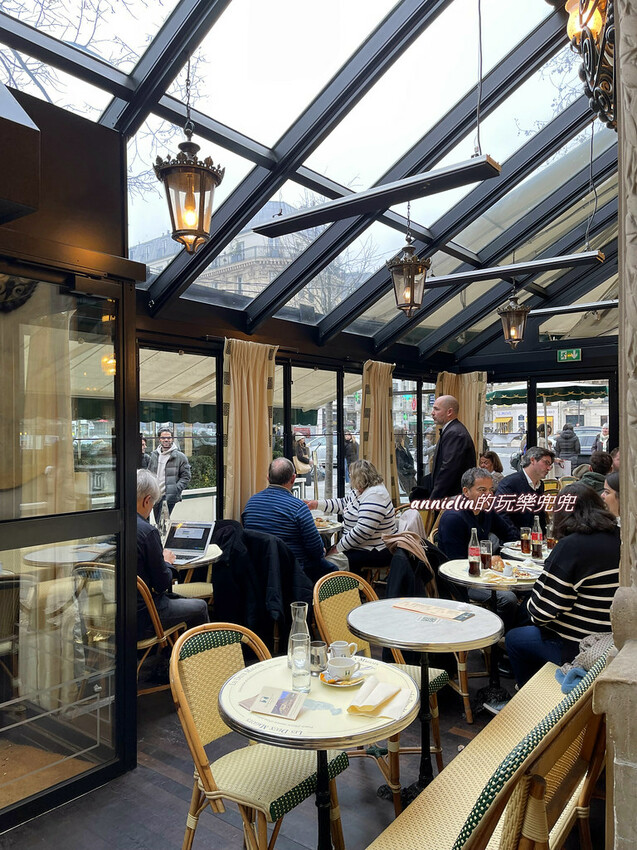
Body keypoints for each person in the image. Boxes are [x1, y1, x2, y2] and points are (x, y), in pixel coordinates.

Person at [505, 482, 620, 687]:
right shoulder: (619, 536)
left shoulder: (572, 547)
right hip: (612, 639)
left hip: (578, 646)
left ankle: (530, 692)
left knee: (514, 637)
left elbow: (540, 613)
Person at [437, 467, 521, 631]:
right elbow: (456, 563)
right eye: (482, 490)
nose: (488, 495)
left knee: (528, 588)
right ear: (466, 491)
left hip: (484, 572)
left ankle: (515, 636)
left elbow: (509, 534)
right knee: (508, 598)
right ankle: (495, 637)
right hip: (462, 581)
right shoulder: (454, 517)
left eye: (491, 490)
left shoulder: (485, 510)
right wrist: (489, 564)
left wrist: (521, 547)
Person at [136, 469, 209, 640]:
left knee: (181, 600)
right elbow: (162, 584)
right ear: (147, 500)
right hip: (146, 616)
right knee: (200, 607)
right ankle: (192, 655)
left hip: (115, 616)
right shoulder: (147, 532)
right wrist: (167, 561)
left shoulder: (115, 525)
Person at [242, 457, 334, 582]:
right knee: (334, 571)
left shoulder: (251, 503)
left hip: (258, 569)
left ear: (268, 477)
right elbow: (316, 551)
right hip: (294, 571)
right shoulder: (299, 508)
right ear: (293, 478)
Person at [306, 459, 396, 576]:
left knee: (325, 565)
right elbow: (343, 504)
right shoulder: (360, 491)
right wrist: (316, 504)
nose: (350, 478)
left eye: (351, 475)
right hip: (357, 546)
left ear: (359, 478)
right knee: (319, 556)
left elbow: (362, 532)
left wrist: (338, 548)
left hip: (374, 550)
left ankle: (342, 586)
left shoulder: (376, 495)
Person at [410, 395, 476, 501]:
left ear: (449, 412)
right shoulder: (452, 430)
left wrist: (434, 498)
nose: (432, 413)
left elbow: (449, 469)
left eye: (436, 409)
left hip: (452, 497)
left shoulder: (454, 433)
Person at [495, 446, 555, 537]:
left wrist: (544, 535)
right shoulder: (510, 483)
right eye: (546, 463)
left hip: (535, 539)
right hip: (513, 540)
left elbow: (539, 514)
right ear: (532, 460)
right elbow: (501, 515)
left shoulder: (540, 485)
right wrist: (519, 537)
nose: (549, 468)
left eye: (550, 465)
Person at [148, 428, 191, 522]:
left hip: (169, 496)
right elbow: (149, 474)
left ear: (172, 439)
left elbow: (186, 477)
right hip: (155, 495)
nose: (166, 440)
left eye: (169, 438)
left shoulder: (180, 456)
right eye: (163, 438)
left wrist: (175, 489)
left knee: (163, 522)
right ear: (159, 439)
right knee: (158, 521)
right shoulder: (154, 455)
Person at [395, 428, 416, 496]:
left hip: (409, 472)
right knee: (410, 492)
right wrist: (409, 468)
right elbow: (400, 462)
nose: (405, 434)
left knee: (413, 491)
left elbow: (409, 457)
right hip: (405, 473)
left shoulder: (404, 444)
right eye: (404, 433)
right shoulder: (397, 447)